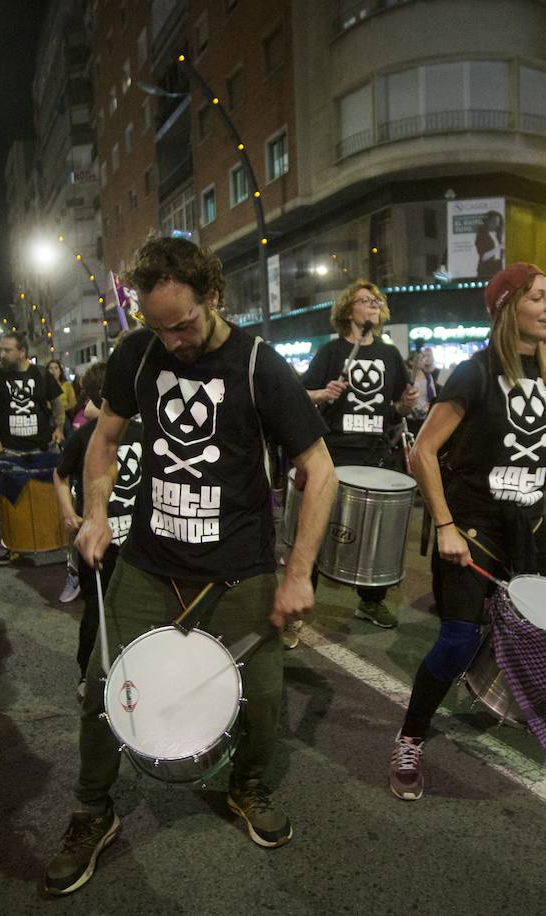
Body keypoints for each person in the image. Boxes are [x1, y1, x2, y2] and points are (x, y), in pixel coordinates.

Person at [42, 237, 336, 896]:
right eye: (158, 327)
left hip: (240, 566)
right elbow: (104, 440)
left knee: (259, 699)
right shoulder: (136, 355)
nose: (173, 340)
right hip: (150, 561)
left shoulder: (260, 365)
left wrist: (298, 573)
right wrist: (93, 512)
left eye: (184, 324)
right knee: (102, 691)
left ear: (213, 296)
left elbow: (319, 470)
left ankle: (247, 787)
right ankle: (94, 810)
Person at [387, 263, 546, 801]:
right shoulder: (473, 373)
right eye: (538, 298)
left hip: (529, 522)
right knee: (455, 640)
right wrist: (445, 526)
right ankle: (410, 736)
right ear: (507, 307)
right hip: (472, 523)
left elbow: (540, 460)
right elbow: (422, 451)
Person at [300, 281, 417, 630]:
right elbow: (300, 396)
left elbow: (395, 408)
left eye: (377, 301)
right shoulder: (331, 353)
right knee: (317, 529)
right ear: (349, 310)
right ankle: (299, 605)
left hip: (375, 455)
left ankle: (370, 602)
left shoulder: (389, 354)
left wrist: (404, 405)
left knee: (375, 534)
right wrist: (323, 392)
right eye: (365, 301)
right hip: (335, 452)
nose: (373, 305)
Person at [51, 361, 144, 697]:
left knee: (134, 607)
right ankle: (88, 674)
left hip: (138, 543)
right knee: (97, 609)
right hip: (99, 542)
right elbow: (60, 475)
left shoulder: (145, 432)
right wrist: (67, 513)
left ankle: (133, 669)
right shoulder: (85, 437)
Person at [0, 331, 66, 564]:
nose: (1, 354)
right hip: (10, 452)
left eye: (7, 350)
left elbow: (58, 404)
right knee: (9, 502)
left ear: (22, 351)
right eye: (1, 349)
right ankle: (11, 543)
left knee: (47, 499)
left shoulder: (42, 374)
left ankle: (51, 540)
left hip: (42, 449)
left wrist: (60, 428)